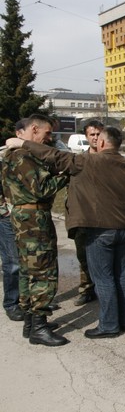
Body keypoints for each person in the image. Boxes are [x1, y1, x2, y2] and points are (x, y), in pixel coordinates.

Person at [7, 126, 125, 339]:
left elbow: (53, 155)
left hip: (99, 231)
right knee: (122, 275)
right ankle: (124, 319)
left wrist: (23, 143)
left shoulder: (87, 162)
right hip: (124, 230)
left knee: (103, 278)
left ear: (102, 143)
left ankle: (109, 325)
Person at [1, 114, 69, 346]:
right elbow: (42, 189)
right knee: (43, 271)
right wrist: (65, 176)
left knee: (28, 271)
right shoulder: (24, 157)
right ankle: (38, 326)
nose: (49, 138)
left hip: (25, 217)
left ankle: (30, 322)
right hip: (33, 218)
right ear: (34, 129)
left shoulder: (14, 154)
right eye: (47, 133)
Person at [72, 120, 104, 306]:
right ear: (86, 137)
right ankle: (86, 289)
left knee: (104, 257)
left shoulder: (109, 158)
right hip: (83, 217)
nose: (95, 137)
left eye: (98, 134)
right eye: (92, 134)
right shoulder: (79, 161)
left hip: (104, 217)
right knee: (83, 255)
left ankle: (104, 289)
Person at [0, 118, 27, 322]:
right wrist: (4, 210)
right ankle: (11, 303)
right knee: (13, 263)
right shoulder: (4, 155)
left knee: (29, 261)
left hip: (26, 217)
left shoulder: (30, 155)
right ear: (19, 133)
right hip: (7, 217)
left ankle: (29, 300)